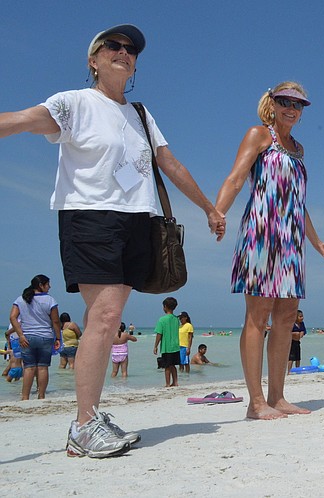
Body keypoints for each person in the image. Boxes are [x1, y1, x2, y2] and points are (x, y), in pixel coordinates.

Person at [0, 24, 224, 458]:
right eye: (113, 46)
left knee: (109, 317)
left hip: (138, 221)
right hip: (90, 217)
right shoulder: (74, 103)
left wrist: (208, 208)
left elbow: (169, 163)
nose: (124, 52)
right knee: (103, 317)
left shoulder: (140, 114)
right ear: (94, 60)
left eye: (131, 49)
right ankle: (83, 425)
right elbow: (23, 121)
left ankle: (91, 415)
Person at [215, 81, 324, 420]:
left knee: (286, 317)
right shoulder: (259, 135)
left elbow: (299, 204)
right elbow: (236, 178)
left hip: (292, 241)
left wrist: (318, 244)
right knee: (258, 316)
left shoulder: (299, 149)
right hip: (261, 233)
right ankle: (256, 403)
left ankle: (278, 396)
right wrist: (218, 211)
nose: (292, 108)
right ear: (272, 103)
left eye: (298, 104)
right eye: (285, 101)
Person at [9, 274, 61, 400]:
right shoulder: (50, 300)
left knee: (29, 368)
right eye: (48, 284)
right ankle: (41, 396)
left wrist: (20, 335)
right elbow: (55, 322)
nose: (49, 287)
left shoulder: (21, 299)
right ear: (41, 285)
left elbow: (12, 317)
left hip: (27, 337)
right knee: (43, 367)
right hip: (45, 336)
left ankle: (25, 397)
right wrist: (58, 338)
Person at [154, 297, 180, 387]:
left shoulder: (162, 320)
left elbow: (159, 334)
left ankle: (168, 383)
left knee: (167, 366)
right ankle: (175, 382)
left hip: (167, 346)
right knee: (173, 365)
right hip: (176, 346)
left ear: (165, 306)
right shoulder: (176, 319)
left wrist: (155, 346)